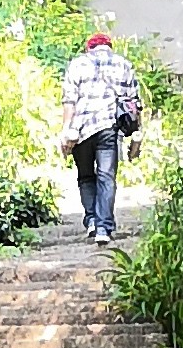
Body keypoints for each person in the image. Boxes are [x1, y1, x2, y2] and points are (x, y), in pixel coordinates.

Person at [60, 29, 144, 241]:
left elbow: (69, 100)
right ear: (109, 47)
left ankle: (91, 221)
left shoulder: (77, 64)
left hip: (80, 129)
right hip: (109, 127)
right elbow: (134, 103)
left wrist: (65, 130)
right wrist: (137, 131)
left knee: (86, 176)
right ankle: (103, 229)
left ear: (90, 48)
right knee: (106, 177)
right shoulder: (123, 64)